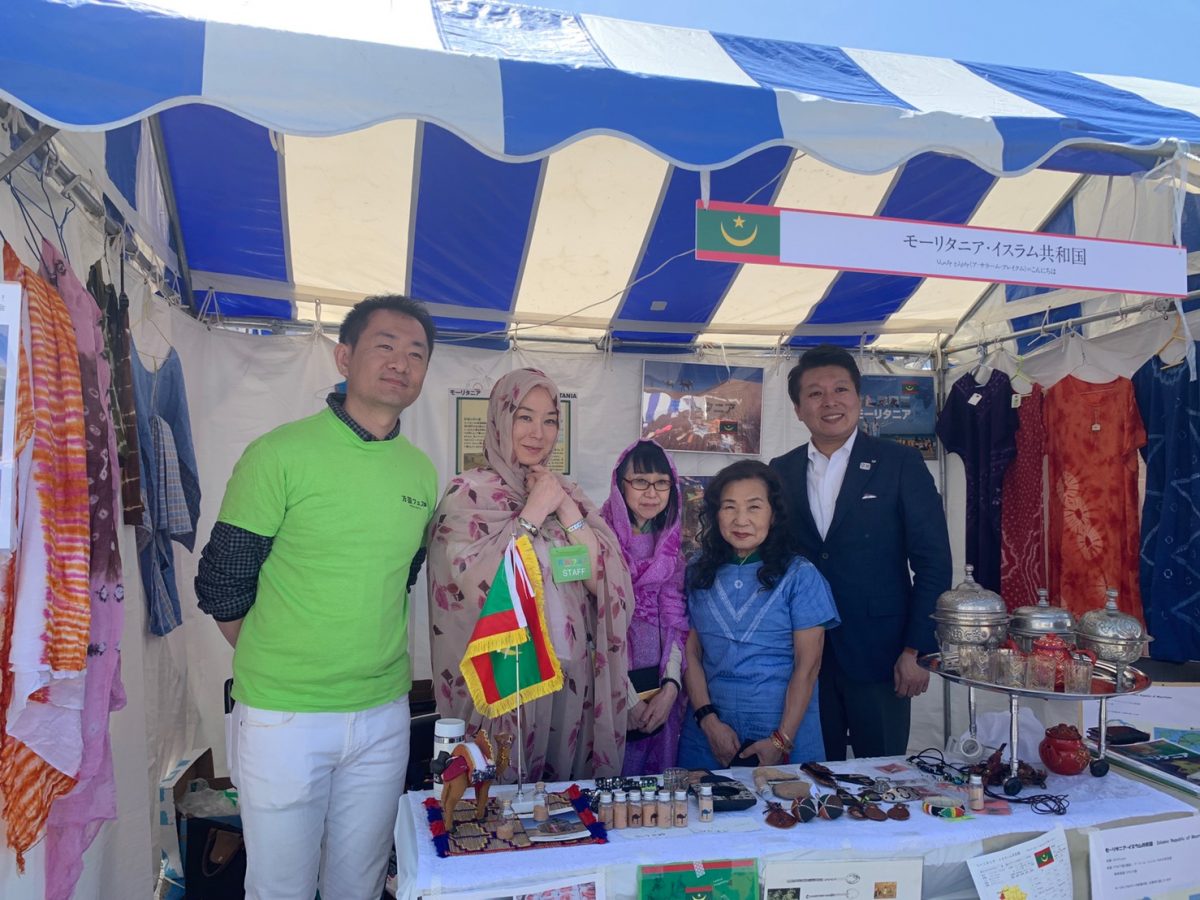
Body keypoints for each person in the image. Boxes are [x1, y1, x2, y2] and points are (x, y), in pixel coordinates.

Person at [194, 295, 438, 900]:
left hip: (383, 714)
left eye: (416, 353)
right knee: (281, 887)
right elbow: (222, 581)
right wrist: (280, 656)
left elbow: (401, 577)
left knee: (359, 883)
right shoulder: (280, 453)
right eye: (385, 346)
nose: (401, 363)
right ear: (344, 357)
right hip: (284, 716)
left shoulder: (421, 472)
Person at [427, 368, 634, 781]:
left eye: (550, 420)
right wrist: (535, 510)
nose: (538, 433)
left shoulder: (565, 492)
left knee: (562, 805)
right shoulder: (468, 495)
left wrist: (567, 510)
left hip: (569, 685)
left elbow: (602, 581)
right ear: (500, 418)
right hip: (506, 684)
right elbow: (478, 589)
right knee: (497, 798)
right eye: (524, 416)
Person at [769, 345, 951, 761]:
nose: (829, 402)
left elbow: (933, 563)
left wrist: (917, 650)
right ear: (798, 409)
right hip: (805, 659)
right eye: (815, 394)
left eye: (841, 389)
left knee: (883, 773)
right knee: (813, 775)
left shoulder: (900, 463)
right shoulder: (780, 470)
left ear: (859, 398)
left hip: (883, 656)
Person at [677, 460, 839, 769]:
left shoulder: (800, 575)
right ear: (715, 513)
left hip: (783, 731)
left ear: (773, 514)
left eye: (754, 507)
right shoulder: (697, 571)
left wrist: (781, 740)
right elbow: (690, 653)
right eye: (729, 507)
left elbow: (808, 667)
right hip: (709, 731)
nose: (741, 520)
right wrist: (708, 721)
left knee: (783, 800)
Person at [600, 439, 689, 775]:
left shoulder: (671, 547)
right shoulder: (599, 542)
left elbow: (677, 623)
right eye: (640, 481)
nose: (652, 493)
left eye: (661, 483)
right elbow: (591, 627)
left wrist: (671, 688)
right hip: (609, 687)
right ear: (620, 484)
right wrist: (628, 698)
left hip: (660, 694)